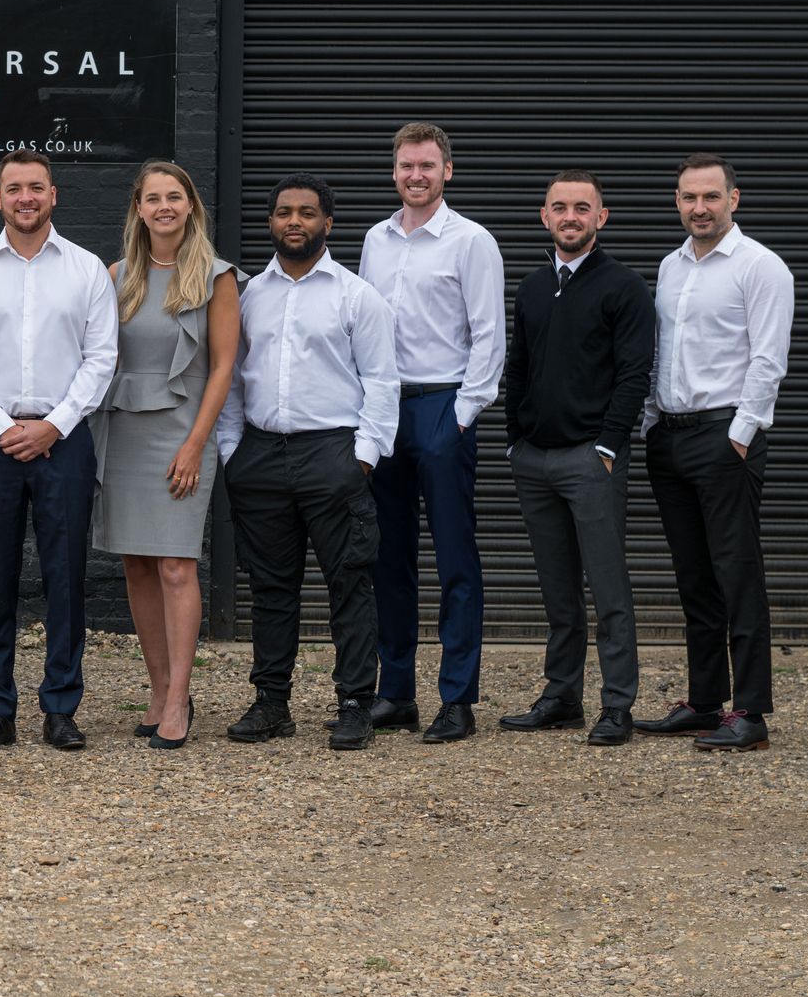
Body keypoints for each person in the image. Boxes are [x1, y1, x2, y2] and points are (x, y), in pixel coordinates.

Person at [0, 148, 118, 753]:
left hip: (63, 444)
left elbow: (102, 359)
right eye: (14, 188)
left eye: (36, 188)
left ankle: (61, 708)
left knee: (66, 577)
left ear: (53, 195)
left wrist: (56, 425)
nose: (25, 198)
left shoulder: (87, 270)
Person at [218, 173, 398, 752]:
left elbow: (382, 382)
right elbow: (231, 378)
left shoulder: (356, 295)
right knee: (270, 587)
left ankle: (353, 705)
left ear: (328, 223)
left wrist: (363, 458)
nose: (293, 221)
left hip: (333, 454)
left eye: (306, 213)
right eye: (283, 212)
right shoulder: (249, 296)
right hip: (261, 456)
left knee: (349, 582)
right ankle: (272, 703)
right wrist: (230, 451)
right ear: (270, 222)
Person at [639, 154, 795, 753]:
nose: (698, 208)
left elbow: (768, 359)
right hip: (671, 437)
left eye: (710, 196)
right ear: (677, 202)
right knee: (694, 575)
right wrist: (654, 420)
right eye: (687, 198)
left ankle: (750, 709)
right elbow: (664, 353)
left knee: (737, 573)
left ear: (735, 199)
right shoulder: (672, 266)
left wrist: (742, 432)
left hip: (725, 436)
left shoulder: (761, 267)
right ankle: (705, 702)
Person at [357, 123, 505, 744]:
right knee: (388, 559)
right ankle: (395, 693)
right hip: (386, 409)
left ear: (448, 170)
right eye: (405, 166)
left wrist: (463, 416)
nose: (415, 175)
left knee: (454, 560)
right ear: (393, 172)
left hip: (444, 406)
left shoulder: (471, 241)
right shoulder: (374, 240)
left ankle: (457, 698)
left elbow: (489, 336)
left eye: (427, 165)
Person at [501, 170, 654, 747]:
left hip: (592, 460)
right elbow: (519, 365)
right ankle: (562, 696)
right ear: (545, 216)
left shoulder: (624, 286)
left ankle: (617, 705)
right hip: (535, 460)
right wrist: (515, 436)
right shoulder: (534, 286)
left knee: (609, 589)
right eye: (559, 207)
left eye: (581, 208)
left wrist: (610, 444)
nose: (570, 216)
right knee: (558, 591)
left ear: (601, 217)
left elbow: (636, 373)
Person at [91, 160, 240, 750]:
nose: (164, 207)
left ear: (191, 207)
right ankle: (156, 689)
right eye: (153, 198)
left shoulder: (218, 277)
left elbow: (224, 366)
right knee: (135, 563)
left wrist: (196, 445)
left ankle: (180, 697)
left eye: (174, 197)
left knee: (177, 564)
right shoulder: (116, 275)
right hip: (122, 427)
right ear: (139, 209)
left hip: (183, 431)